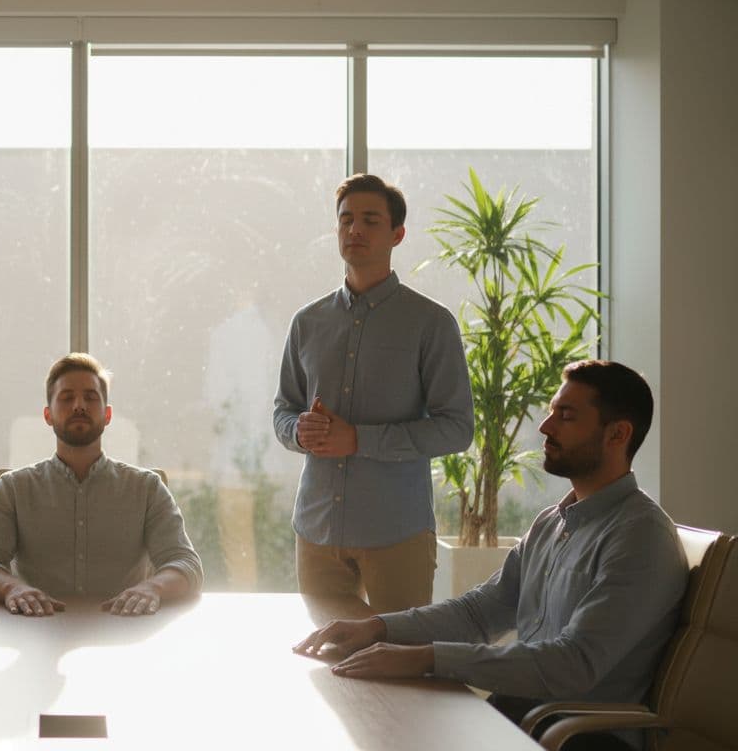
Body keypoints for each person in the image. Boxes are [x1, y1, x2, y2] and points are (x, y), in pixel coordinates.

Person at [294, 361, 688, 751]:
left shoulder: (640, 536)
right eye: (551, 412)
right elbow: (480, 612)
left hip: (580, 738)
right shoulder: (552, 522)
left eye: (565, 416)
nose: (545, 427)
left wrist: (426, 659)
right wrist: (379, 628)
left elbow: (574, 664)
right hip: (525, 716)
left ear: (617, 434)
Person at [273, 173, 474, 612]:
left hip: (396, 534)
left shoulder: (431, 324)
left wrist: (359, 440)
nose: (355, 230)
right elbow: (283, 411)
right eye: (345, 220)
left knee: (396, 669)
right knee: (323, 667)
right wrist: (299, 432)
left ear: (397, 234)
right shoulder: (307, 322)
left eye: (370, 220)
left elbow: (457, 429)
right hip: (316, 531)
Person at [0, 353, 203, 616]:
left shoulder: (147, 488)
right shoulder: (13, 489)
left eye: (91, 397)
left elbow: (185, 562)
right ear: (48, 415)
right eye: (66, 398)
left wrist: (153, 588)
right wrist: (12, 588)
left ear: (107, 414)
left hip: (124, 630)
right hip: (35, 628)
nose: (79, 406)